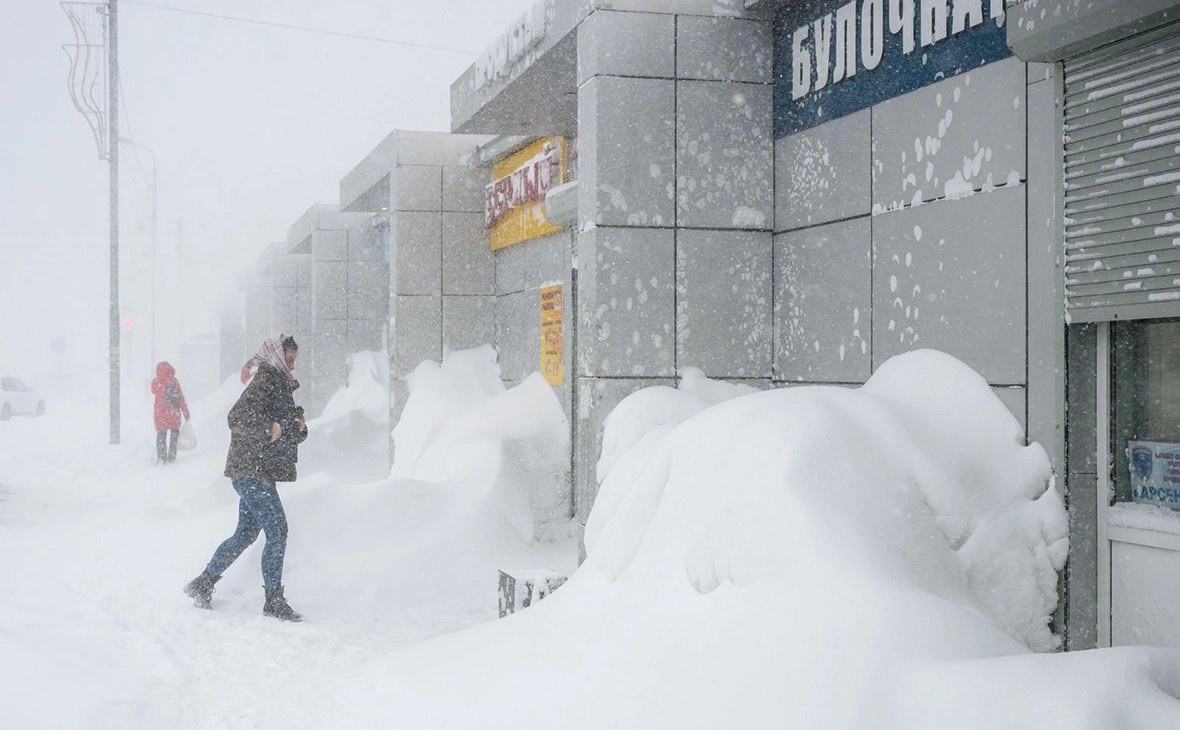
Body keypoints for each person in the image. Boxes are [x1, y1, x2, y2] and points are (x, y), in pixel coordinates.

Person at [183, 334, 308, 621]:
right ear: (277, 356)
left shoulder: (279, 384)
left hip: (256, 470)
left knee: (246, 534)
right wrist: (270, 427)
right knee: (278, 530)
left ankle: (202, 583)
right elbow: (237, 417)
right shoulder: (265, 380)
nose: (292, 365)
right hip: (251, 471)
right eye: (289, 359)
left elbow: (282, 429)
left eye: (294, 360)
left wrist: (297, 428)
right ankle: (273, 600)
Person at [150, 361, 190, 465]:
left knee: (161, 436)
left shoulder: (156, 382)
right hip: (173, 413)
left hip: (160, 414)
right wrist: (185, 412)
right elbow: (180, 397)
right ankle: (172, 457)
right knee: (174, 436)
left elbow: (153, 390)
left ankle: (162, 458)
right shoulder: (174, 381)